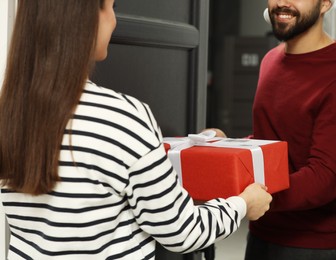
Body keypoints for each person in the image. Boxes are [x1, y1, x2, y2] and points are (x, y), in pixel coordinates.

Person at [0, 1, 272, 259]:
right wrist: (242, 205)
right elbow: (182, 231)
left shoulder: (10, 112)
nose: (114, 20)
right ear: (84, 19)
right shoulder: (123, 116)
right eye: (111, 7)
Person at [209, 0, 336, 259]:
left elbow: (325, 177)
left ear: (326, 4)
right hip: (262, 231)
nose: (282, 3)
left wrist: (251, 197)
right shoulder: (270, 60)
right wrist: (227, 147)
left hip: (313, 246)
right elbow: (271, 140)